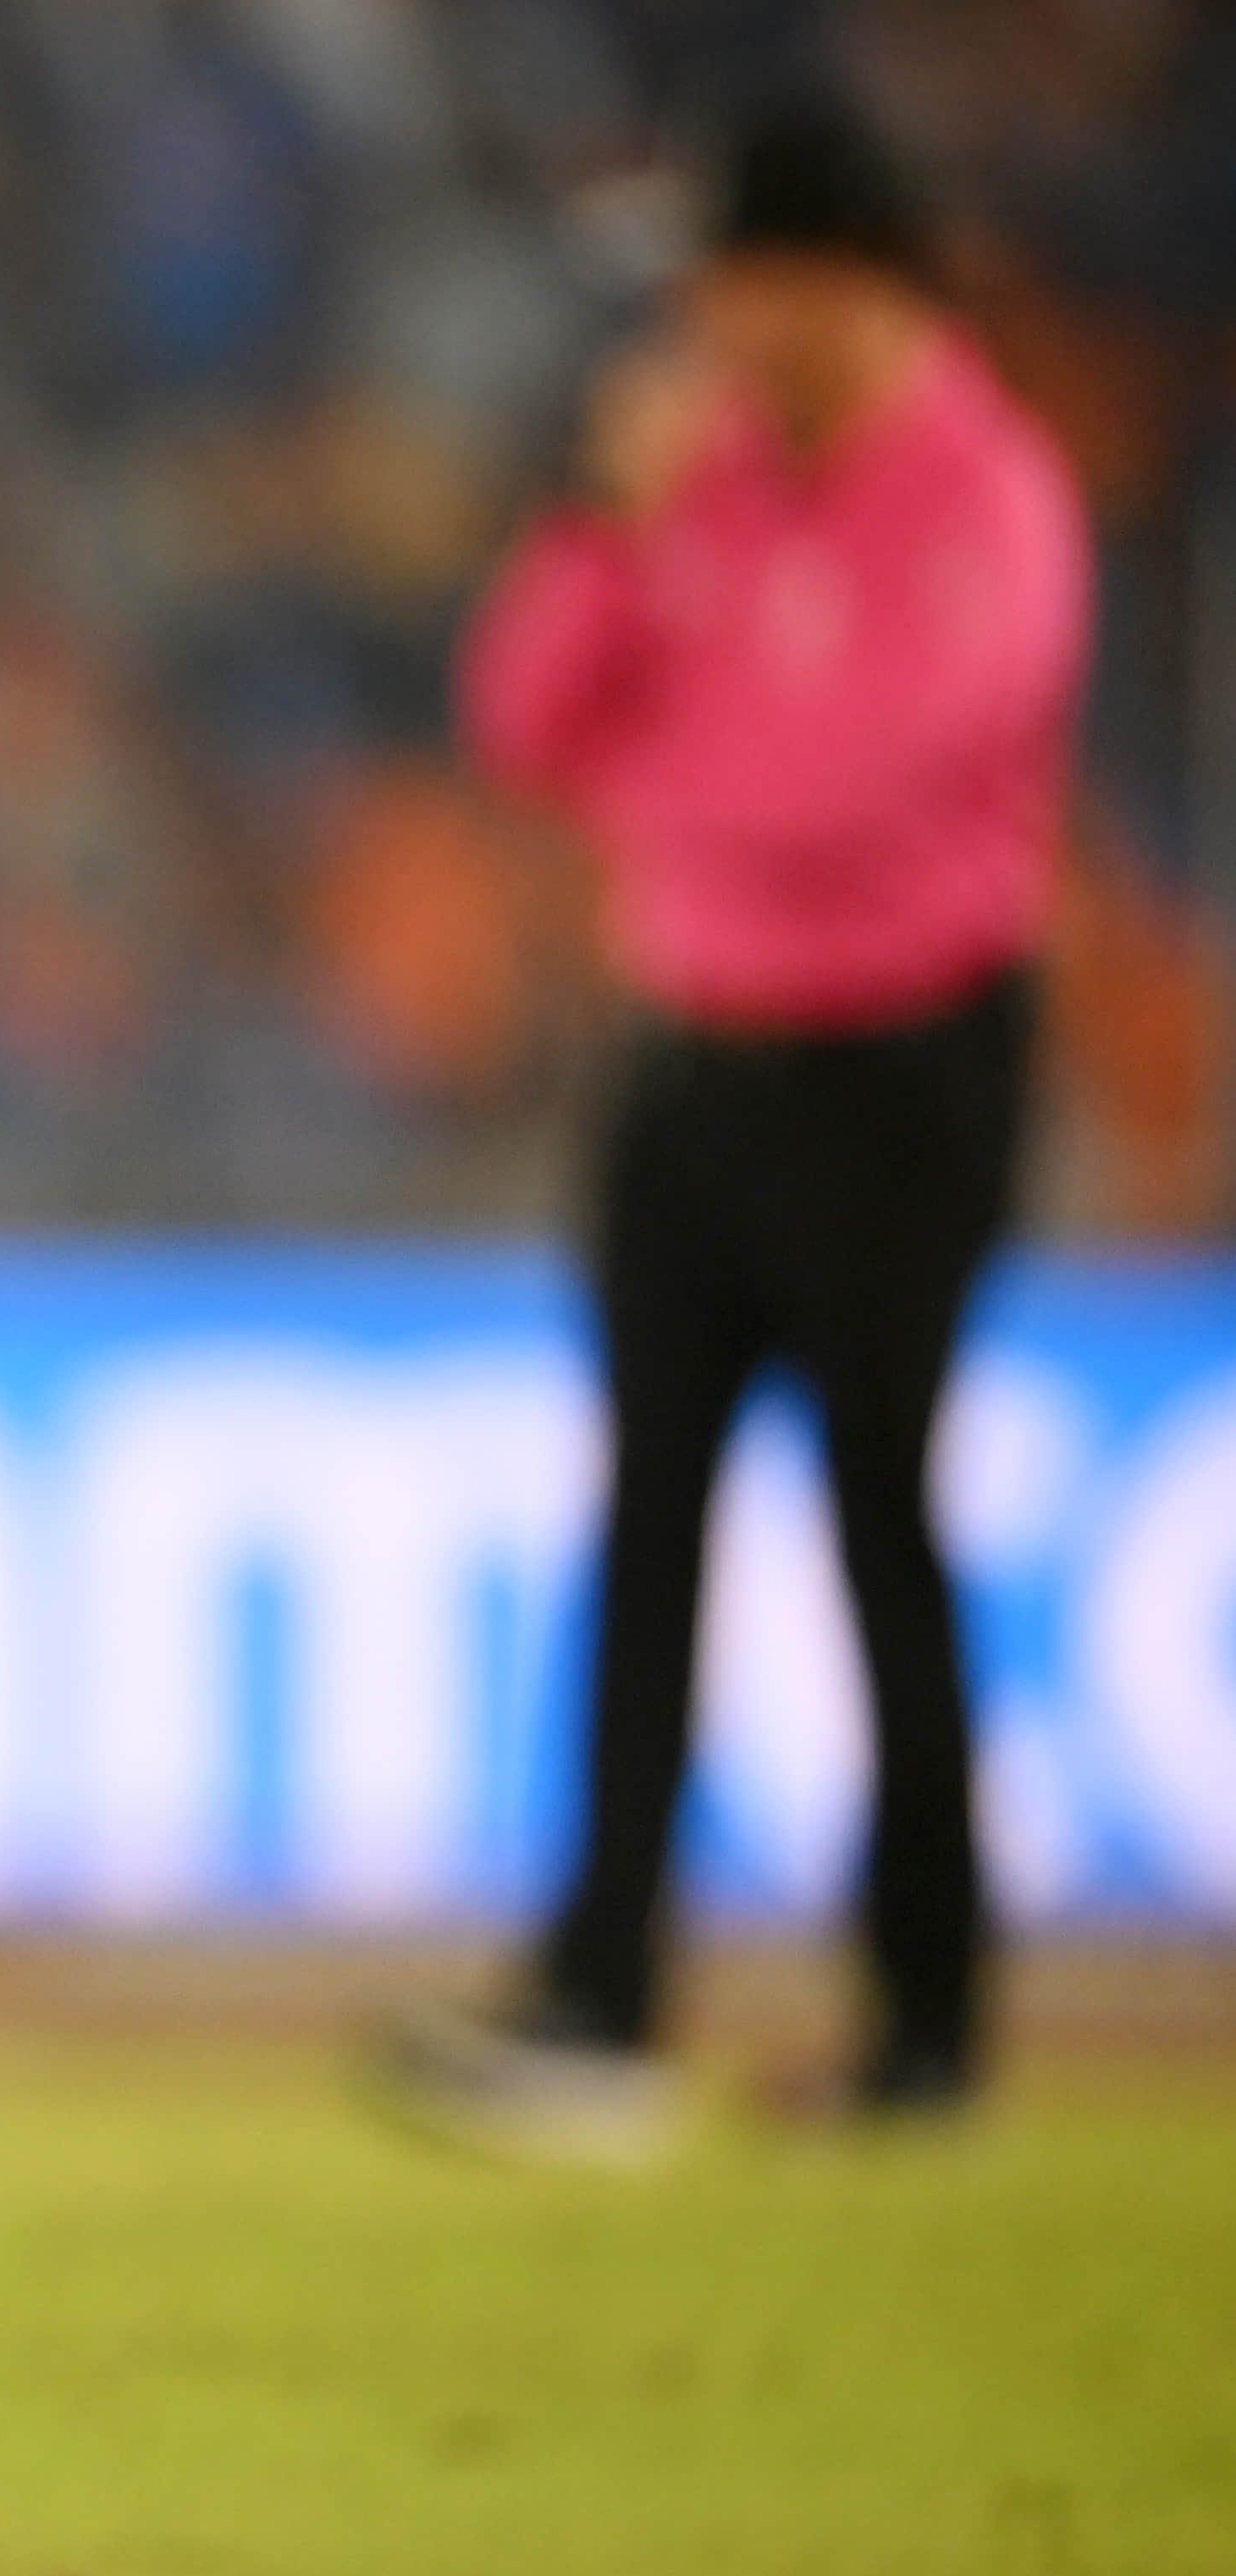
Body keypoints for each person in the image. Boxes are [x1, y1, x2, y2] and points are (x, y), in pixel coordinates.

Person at [393, 101, 1089, 2155]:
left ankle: (925, 2015)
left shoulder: (984, 498)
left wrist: (668, 770)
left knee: (878, 1517)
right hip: (692, 1060)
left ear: (835, 284)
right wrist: (599, 523)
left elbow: (855, 776)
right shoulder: (693, 479)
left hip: (900, 1070)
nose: (707, 323)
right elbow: (521, 722)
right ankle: (600, 1989)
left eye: (739, 281)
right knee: (651, 1521)